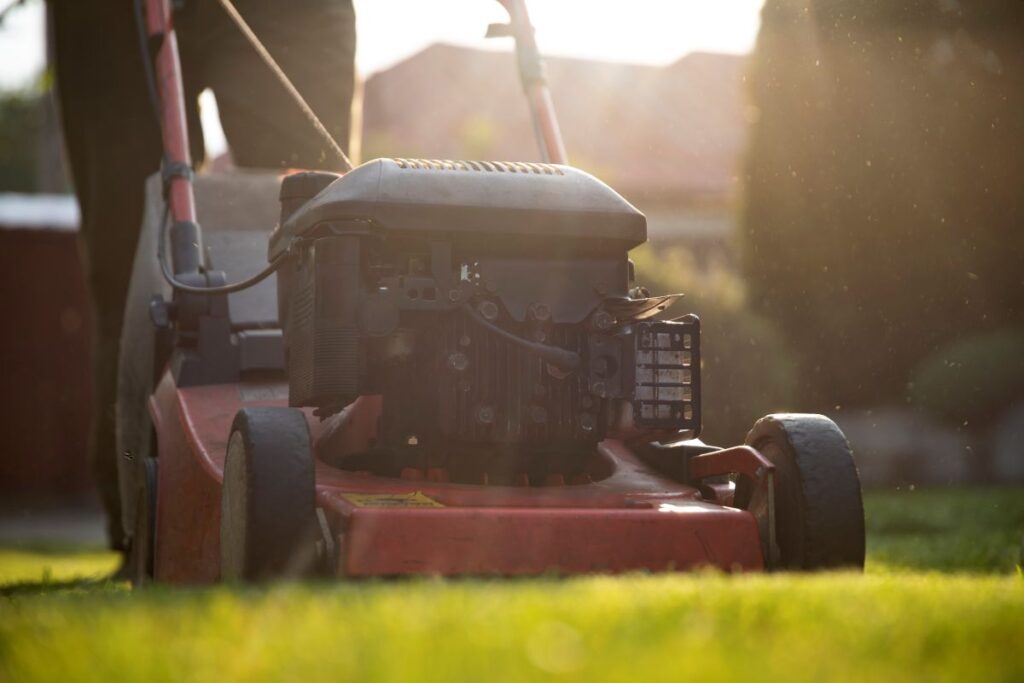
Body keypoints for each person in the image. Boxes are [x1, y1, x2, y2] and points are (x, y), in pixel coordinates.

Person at [50, 0, 356, 552]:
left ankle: (341, 487)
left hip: (289, 13)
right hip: (109, 16)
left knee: (323, 225)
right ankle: (144, 528)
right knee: (131, 259)